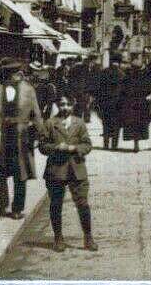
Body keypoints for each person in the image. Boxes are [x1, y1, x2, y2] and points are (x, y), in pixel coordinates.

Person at [0, 61, 46, 218]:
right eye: (15, 73)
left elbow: (36, 114)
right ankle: (3, 205)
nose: (19, 76)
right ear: (6, 74)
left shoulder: (29, 90)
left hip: (21, 137)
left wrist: (41, 135)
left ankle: (17, 208)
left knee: (20, 173)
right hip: (0, 136)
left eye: (19, 73)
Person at [39, 91, 97, 252]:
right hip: (56, 170)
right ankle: (58, 238)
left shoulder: (79, 123)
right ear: (58, 105)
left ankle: (88, 237)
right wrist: (56, 147)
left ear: (73, 105)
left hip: (77, 170)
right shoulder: (50, 123)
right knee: (56, 204)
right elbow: (42, 146)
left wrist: (74, 148)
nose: (65, 107)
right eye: (62, 104)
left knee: (83, 204)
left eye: (68, 104)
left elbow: (87, 145)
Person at [115, 57, 151, 151]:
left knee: (131, 123)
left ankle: (135, 142)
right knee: (139, 123)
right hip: (141, 103)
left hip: (130, 104)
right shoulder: (144, 78)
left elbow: (122, 90)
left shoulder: (126, 78)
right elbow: (148, 91)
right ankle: (137, 142)